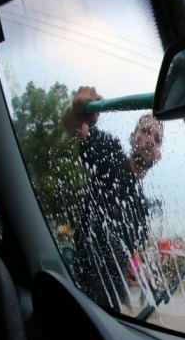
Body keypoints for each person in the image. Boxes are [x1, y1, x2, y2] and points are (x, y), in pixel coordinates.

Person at [63, 86, 164, 310]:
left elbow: (125, 259)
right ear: (133, 136)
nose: (150, 140)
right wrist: (77, 109)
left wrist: (127, 285)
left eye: (157, 139)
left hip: (108, 307)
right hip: (77, 292)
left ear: (159, 154)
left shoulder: (142, 209)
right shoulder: (111, 155)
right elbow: (74, 126)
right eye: (146, 131)